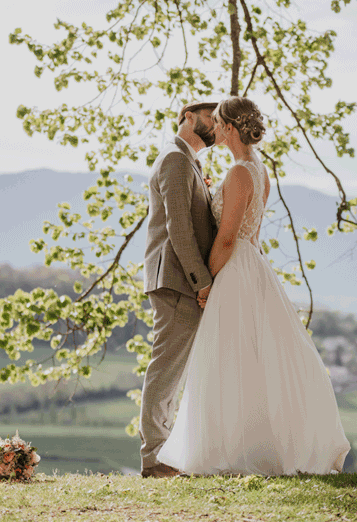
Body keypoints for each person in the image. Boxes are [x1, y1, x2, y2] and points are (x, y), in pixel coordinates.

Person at [156, 96, 351, 476]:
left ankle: (231, 450)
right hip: (252, 264)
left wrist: (206, 284)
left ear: (229, 128)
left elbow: (228, 238)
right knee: (252, 359)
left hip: (232, 268)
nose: (214, 130)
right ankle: (254, 445)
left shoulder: (238, 174)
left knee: (229, 358)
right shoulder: (259, 171)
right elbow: (253, 235)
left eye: (218, 123)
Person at [140, 101, 219, 478]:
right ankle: (155, 457)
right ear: (188, 116)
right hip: (175, 279)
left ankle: (165, 452)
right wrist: (201, 280)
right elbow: (179, 228)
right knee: (166, 369)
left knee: (173, 370)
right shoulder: (175, 158)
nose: (215, 125)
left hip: (178, 278)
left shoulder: (187, 160)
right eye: (210, 117)